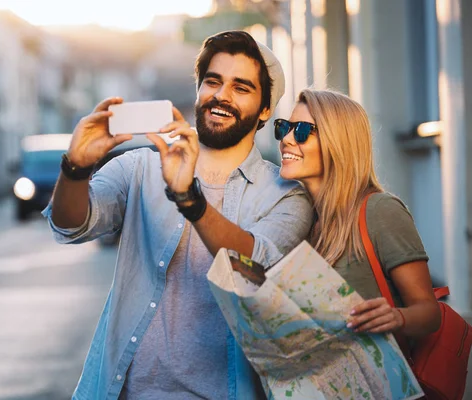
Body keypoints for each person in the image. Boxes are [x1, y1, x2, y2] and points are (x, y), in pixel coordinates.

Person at [43, 30, 313, 399]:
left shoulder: (286, 196)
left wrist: (189, 199)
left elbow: (254, 264)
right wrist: (75, 167)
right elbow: (70, 225)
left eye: (241, 87)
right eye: (213, 81)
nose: (222, 95)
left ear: (266, 109)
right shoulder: (140, 167)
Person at [275, 88, 440, 340]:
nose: (286, 139)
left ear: (337, 142)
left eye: (301, 131)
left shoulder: (380, 211)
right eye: (284, 127)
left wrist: (397, 317)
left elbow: (429, 313)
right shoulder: (300, 217)